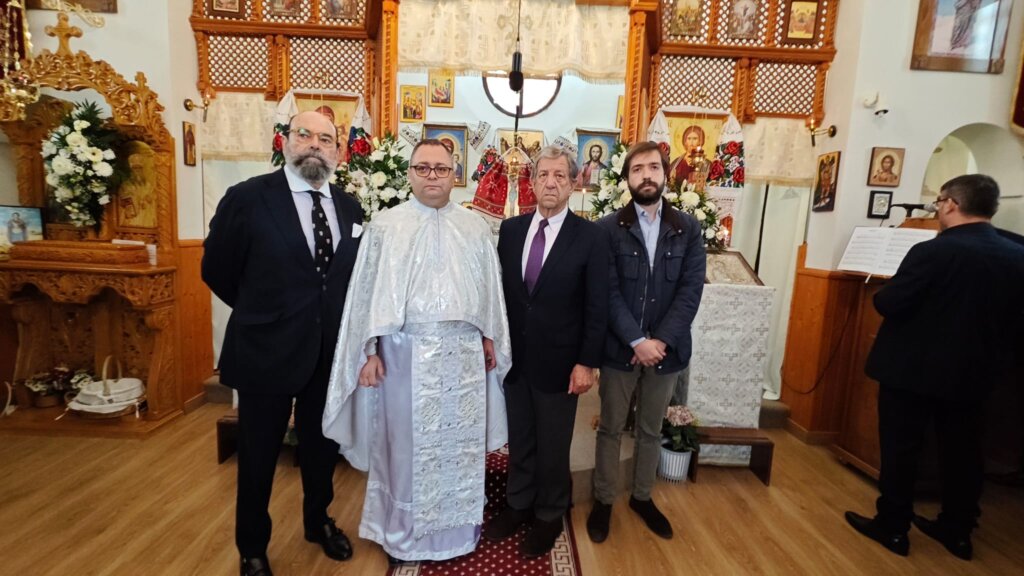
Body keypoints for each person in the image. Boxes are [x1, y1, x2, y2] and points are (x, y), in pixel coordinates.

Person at [323, 139, 511, 564]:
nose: (432, 176)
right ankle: (402, 537)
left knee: (458, 450)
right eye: (422, 168)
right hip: (403, 356)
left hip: (463, 358)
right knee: (405, 451)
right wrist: (369, 351)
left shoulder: (475, 227)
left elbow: (490, 294)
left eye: (441, 169)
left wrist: (488, 337)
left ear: (454, 175)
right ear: (409, 173)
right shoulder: (386, 227)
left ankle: (456, 533)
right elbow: (366, 298)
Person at [203, 111, 362, 576]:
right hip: (265, 349)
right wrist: (264, 311)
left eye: (325, 139)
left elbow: (346, 278)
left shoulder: (349, 207)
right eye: (304, 134)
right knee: (258, 454)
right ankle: (252, 547)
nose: (314, 144)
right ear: (286, 142)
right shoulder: (248, 198)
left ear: (338, 151)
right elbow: (217, 269)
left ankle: (318, 521)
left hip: (327, 351)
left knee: (321, 446)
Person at [845, 174, 1024, 561]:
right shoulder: (1017, 254)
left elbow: (890, 303)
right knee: (964, 453)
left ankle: (893, 527)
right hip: (975, 374)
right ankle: (958, 531)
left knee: (902, 449)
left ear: (951, 204)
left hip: (912, 371)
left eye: (940, 201)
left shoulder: (933, 251)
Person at [486, 146, 609, 558]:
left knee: (553, 446)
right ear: (532, 182)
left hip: (562, 363)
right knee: (520, 439)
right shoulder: (512, 230)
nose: (551, 183)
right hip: (516, 359)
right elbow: (502, 295)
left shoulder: (590, 237)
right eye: (543, 175)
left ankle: (549, 513)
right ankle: (519, 504)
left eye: (560, 176)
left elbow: (597, 306)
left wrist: (587, 362)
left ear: (573, 184)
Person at [587, 142, 706, 543]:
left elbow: (690, 291)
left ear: (665, 174)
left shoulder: (687, 229)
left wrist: (660, 341)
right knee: (610, 428)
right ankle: (604, 500)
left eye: (653, 167)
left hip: (666, 353)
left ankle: (641, 497)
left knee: (651, 430)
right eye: (637, 169)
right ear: (627, 179)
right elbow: (607, 292)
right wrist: (637, 339)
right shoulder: (607, 229)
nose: (646, 175)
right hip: (620, 349)